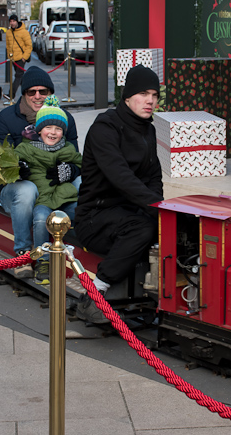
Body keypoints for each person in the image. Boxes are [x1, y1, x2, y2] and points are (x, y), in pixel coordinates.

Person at [74, 65, 163, 324]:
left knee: (176, 227)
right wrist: (155, 209)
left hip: (128, 212)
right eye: (144, 93)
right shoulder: (105, 127)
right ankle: (93, 295)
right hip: (95, 216)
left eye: (155, 95)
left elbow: (153, 177)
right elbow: (120, 177)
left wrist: (161, 209)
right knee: (142, 229)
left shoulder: (148, 128)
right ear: (127, 96)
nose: (150, 100)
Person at [0, 67, 79, 257]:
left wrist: (69, 170)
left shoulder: (63, 119)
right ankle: (22, 249)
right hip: (17, 187)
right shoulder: (6, 119)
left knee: (81, 182)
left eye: (43, 91)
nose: (38, 96)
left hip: (52, 185)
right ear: (24, 94)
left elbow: (75, 155)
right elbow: (2, 164)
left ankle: (81, 233)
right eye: (32, 92)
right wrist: (16, 166)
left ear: (50, 93)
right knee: (27, 189)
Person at [10, 96, 81, 284]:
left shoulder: (67, 148)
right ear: (39, 129)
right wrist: (20, 168)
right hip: (43, 199)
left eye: (58, 129)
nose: (53, 132)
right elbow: (14, 162)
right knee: (41, 218)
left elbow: (82, 163)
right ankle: (43, 260)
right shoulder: (26, 148)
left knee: (83, 211)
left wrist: (72, 170)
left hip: (65, 198)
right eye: (48, 127)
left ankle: (86, 246)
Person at [5, 14, 32, 96]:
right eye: (11, 21)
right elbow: (8, 45)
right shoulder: (9, 32)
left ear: (17, 21)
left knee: (18, 75)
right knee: (20, 77)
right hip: (13, 58)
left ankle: (11, 95)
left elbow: (29, 46)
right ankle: (28, 90)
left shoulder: (24, 32)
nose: (12, 23)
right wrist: (9, 56)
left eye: (14, 21)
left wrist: (24, 57)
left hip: (21, 58)